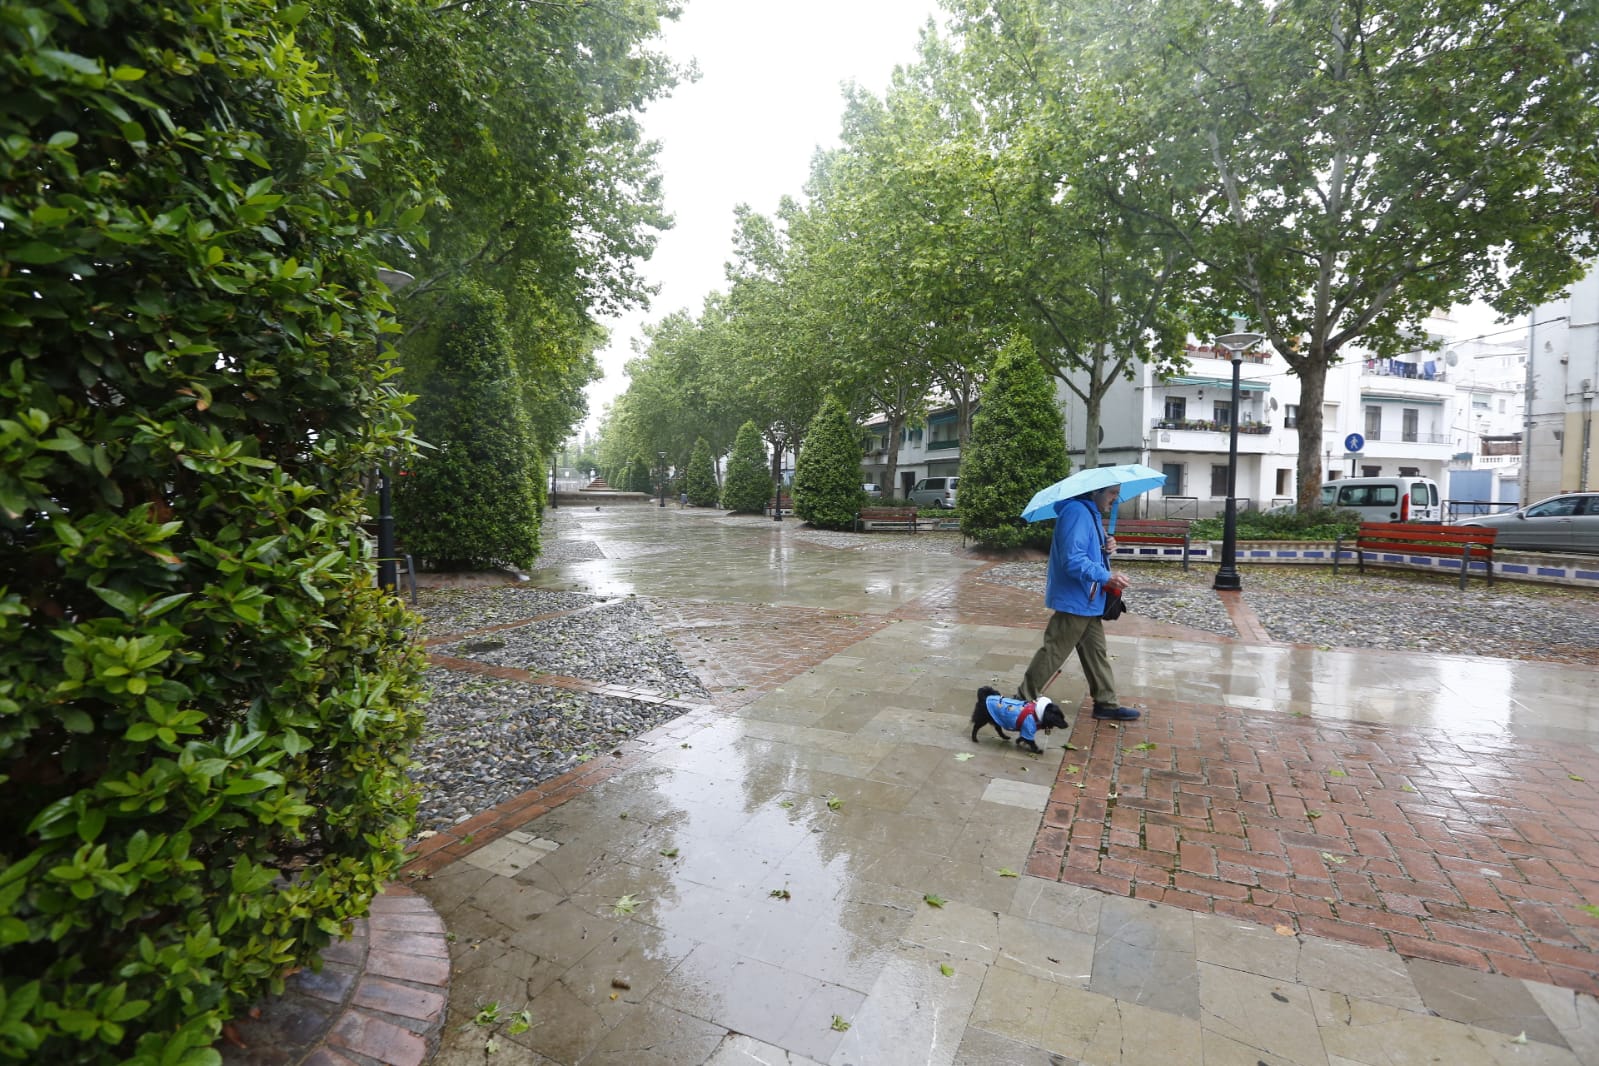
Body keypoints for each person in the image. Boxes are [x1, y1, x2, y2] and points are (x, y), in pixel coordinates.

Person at [1016, 484, 1141, 720]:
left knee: (1096, 652)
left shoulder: (1089, 513)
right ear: (1095, 491)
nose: (1116, 498)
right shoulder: (1076, 512)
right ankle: (1022, 701)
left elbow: (1087, 551)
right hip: (1077, 599)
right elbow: (1073, 560)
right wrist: (1107, 576)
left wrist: (1107, 545)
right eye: (1112, 493)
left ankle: (1106, 703)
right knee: (1054, 650)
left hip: (1088, 599)